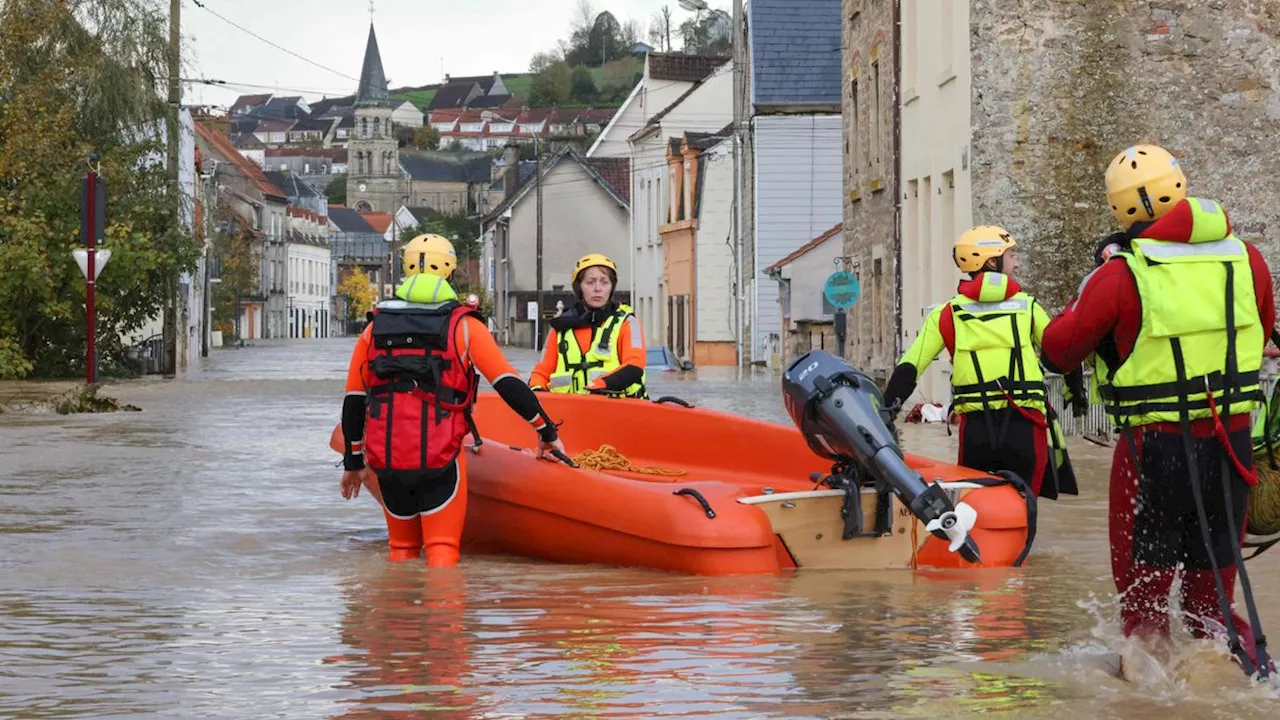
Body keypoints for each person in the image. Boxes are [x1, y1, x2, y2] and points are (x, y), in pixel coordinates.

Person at [1041, 144, 1274, 677]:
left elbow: (1059, 348)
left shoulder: (1122, 274)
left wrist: (1096, 281)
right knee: (1211, 604)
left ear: (1120, 211)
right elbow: (1261, 329)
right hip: (1232, 447)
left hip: (1155, 450)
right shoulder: (1248, 258)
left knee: (1143, 605)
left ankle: (1143, 694)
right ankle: (1243, 679)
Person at [339, 233, 567, 567]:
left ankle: (393, 613)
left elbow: (355, 400)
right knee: (442, 550)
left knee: (401, 551)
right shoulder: (464, 326)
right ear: (449, 271)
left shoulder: (374, 329)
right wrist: (545, 431)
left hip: (387, 461)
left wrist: (353, 462)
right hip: (441, 458)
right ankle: (443, 616)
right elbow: (507, 385)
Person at [882, 226, 1079, 501]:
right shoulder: (1027, 307)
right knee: (1023, 509)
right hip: (1025, 427)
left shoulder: (947, 313)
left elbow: (910, 367)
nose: (1017, 262)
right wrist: (1076, 390)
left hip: (977, 432)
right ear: (992, 261)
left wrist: (885, 414)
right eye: (1011, 255)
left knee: (976, 510)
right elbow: (1062, 352)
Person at [529, 253, 648, 398]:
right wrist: (536, 392)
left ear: (611, 287)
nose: (598, 288)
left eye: (604, 282)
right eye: (590, 282)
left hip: (619, 413)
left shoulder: (629, 323)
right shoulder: (560, 327)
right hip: (568, 414)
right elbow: (541, 373)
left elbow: (635, 366)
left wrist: (599, 385)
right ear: (579, 287)